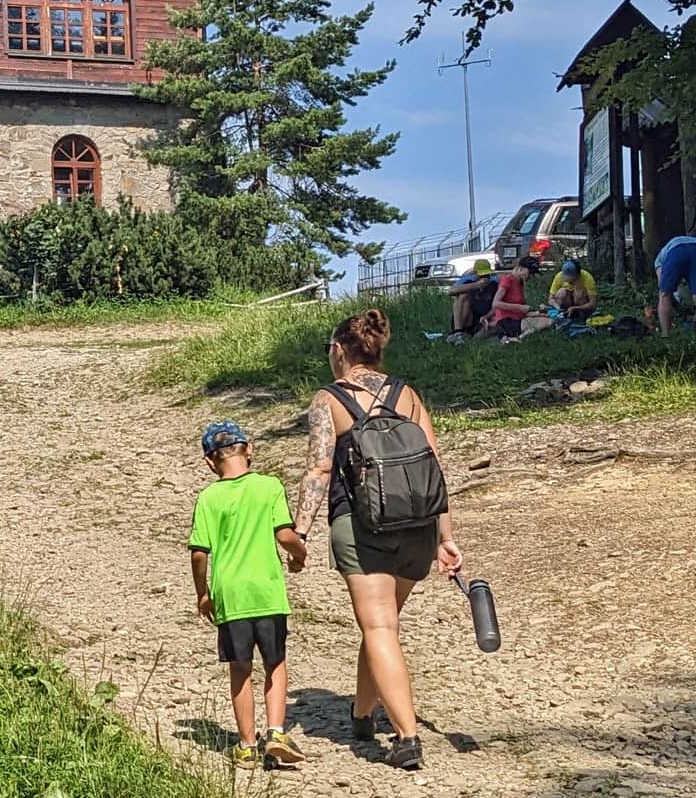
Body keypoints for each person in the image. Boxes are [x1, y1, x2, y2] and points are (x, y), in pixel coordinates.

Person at [290, 309, 462, 771]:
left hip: (362, 528)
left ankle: (406, 736)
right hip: (417, 526)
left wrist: (299, 531)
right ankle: (363, 712)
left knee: (380, 627)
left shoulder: (329, 401)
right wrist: (445, 536)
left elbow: (319, 469)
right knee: (382, 624)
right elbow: (433, 466)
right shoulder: (407, 394)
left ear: (339, 351)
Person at [189, 420, 306, 770]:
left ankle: (245, 745)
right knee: (275, 663)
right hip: (266, 591)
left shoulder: (209, 497)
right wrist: (299, 553)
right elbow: (284, 535)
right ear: (249, 449)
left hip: (231, 595)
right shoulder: (269, 486)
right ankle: (275, 732)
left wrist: (203, 594)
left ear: (210, 461)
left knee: (240, 669)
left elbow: (199, 552)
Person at [489, 255, 548, 340]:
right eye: (530, 273)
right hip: (507, 321)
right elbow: (495, 303)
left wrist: (539, 312)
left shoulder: (520, 282)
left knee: (547, 318)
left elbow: (523, 311)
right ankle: (519, 338)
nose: (531, 276)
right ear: (520, 268)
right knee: (547, 322)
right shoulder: (508, 280)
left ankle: (510, 338)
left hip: (518, 318)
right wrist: (520, 307)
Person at [655, 235, 696, 336]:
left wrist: (675, 304)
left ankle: (666, 335)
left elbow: (663, 286)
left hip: (676, 251)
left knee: (664, 294)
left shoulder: (658, 262)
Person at [447, 258, 498, 336]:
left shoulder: (494, 282)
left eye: (486, 274)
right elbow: (451, 291)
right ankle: (458, 331)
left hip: (484, 316)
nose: (484, 277)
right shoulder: (468, 280)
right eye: (481, 275)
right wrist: (477, 285)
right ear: (475, 273)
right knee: (463, 295)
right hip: (469, 315)